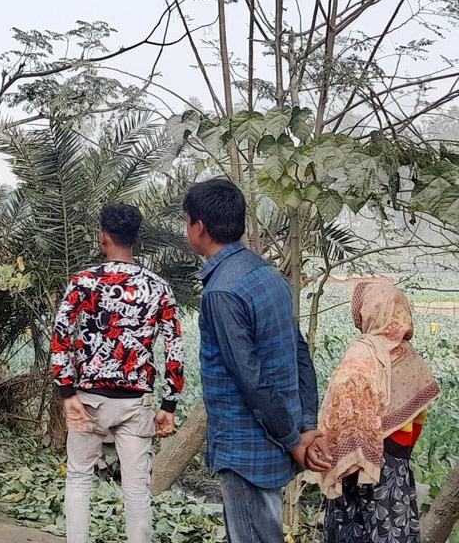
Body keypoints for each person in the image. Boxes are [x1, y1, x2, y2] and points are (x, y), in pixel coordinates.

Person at [183, 178, 322, 543]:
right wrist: (306, 426)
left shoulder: (222, 292)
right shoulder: (267, 274)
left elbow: (251, 379)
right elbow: (299, 351)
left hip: (246, 448)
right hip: (276, 441)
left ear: (199, 227)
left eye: (186, 221)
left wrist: (295, 439)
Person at [52, 203, 184, 543]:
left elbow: (61, 336)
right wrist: (169, 406)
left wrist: (67, 393)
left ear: (103, 237)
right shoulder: (158, 287)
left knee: (80, 478)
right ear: (136, 238)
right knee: (137, 488)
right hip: (136, 402)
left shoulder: (83, 282)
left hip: (88, 399)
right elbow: (174, 347)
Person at [309, 282, 439, 543]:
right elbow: (417, 420)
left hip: (352, 466)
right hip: (396, 466)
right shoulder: (412, 360)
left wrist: (353, 447)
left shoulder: (361, 354)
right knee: (392, 533)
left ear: (369, 311)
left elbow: (337, 408)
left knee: (350, 532)